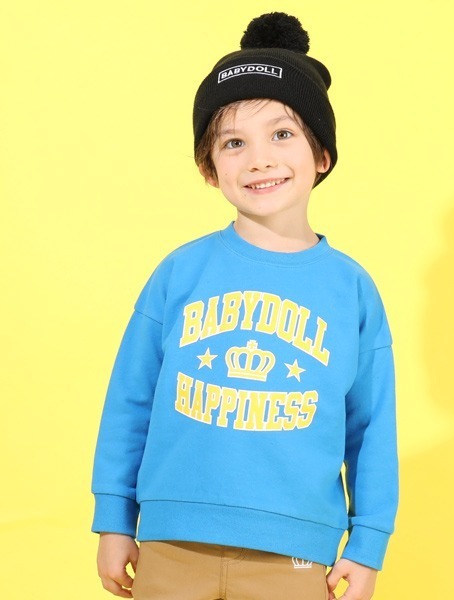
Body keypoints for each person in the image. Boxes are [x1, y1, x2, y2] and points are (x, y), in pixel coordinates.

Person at [91, 12, 398, 600]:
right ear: (209, 169)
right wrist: (113, 518)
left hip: (295, 552)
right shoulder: (180, 272)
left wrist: (367, 543)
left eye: (282, 135)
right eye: (234, 143)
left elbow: (371, 426)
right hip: (172, 542)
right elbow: (130, 399)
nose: (259, 159)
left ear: (322, 154)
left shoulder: (351, 289)